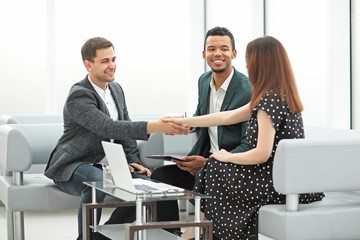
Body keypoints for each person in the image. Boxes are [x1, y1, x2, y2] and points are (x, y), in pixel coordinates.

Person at [165, 36, 324, 240]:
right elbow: (227, 116)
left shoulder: (270, 101)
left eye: (250, 60)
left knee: (214, 166)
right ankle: (199, 231)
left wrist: (226, 156)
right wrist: (185, 122)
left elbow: (262, 153)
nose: (247, 65)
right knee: (214, 166)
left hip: (276, 181)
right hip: (282, 176)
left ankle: (203, 232)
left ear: (261, 64)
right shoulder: (274, 95)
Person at [44, 37, 188, 240]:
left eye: (113, 59)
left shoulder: (117, 90)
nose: (112, 66)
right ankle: (86, 237)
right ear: (88, 64)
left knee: (146, 185)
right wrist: (156, 126)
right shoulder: (79, 95)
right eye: (105, 61)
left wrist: (133, 161)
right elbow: (107, 127)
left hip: (110, 165)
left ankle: (99, 238)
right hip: (74, 164)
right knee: (98, 181)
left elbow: (125, 128)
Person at [150, 26, 252, 231]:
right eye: (212, 48)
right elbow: (201, 117)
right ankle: (171, 234)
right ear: (204, 54)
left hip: (231, 166)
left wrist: (208, 162)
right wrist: (182, 127)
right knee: (159, 176)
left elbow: (248, 144)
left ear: (234, 53)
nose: (218, 53)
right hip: (204, 162)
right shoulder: (203, 80)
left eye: (224, 48)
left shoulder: (247, 88)